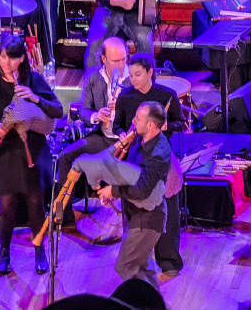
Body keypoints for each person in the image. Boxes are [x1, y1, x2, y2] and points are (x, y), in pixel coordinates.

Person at [0, 35, 63, 276]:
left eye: (12, 58)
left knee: (36, 203)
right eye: (3, 57)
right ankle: (4, 252)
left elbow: (58, 110)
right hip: (4, 150)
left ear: (22, 58)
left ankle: (39, 248)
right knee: (6, 206)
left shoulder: (34, 80)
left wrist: (35, 97)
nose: (6, 62)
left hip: (33, 147)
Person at [112, 53, 185, 277]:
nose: (133, 79)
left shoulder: (166, 95)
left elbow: (181, 124)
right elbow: (117, 125)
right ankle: (134, 263)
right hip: (134, 158)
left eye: (138, 74)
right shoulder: (125, 97)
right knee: (132, 211)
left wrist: (166, 127)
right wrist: (122, 133)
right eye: (131, 75)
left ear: (150, 72)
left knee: (166, 213)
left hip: (160, 158)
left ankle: (169, 261)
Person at [57, 37, 131, 227]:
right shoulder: (93, 77)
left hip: (128, 141)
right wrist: (96, 115)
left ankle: (132, 222)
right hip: (103, 137)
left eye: (124, 59)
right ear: (104, 59)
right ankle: (63, 218)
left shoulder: (133, 77)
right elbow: (83, 110)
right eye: (116, 61)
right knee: (65, 157)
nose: (121, 65)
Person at [98, 102, 171, 289]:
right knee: (143, 268)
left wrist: (113, 191)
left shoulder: (159, 153)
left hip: (148, 218)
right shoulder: (140, 137)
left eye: (138, 118)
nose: (133, 120)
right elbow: (129, 173)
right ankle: (153, 301)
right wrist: (114, 190)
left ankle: (143, 300)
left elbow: (142, 190)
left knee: (126, 266)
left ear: (150, 125)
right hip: (133, 211)